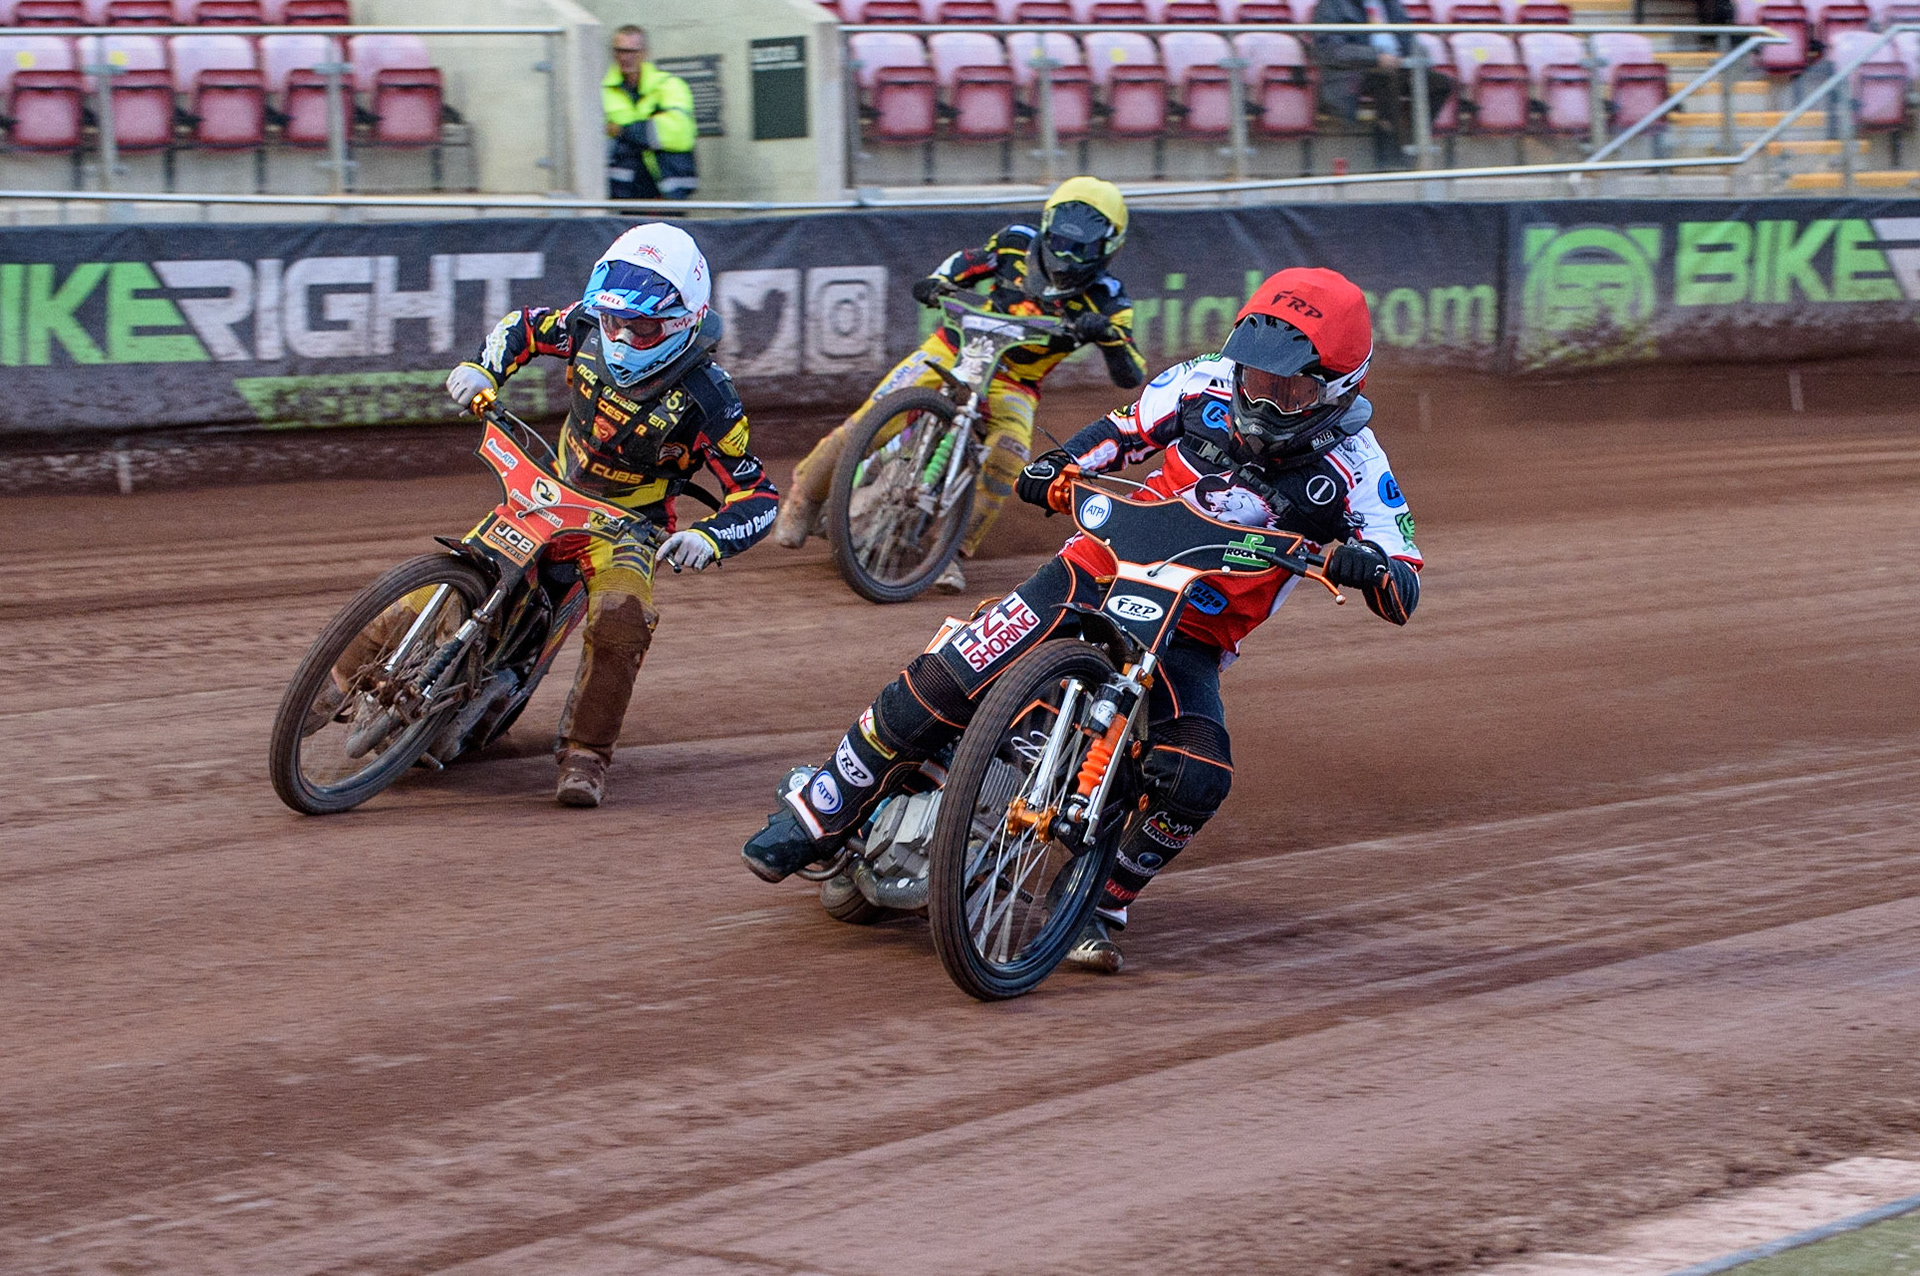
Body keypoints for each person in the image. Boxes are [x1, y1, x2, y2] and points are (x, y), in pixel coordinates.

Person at [739, 267, 1424, 974]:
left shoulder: (1357, 466)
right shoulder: (1201, 382)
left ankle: (1100, 898)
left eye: (1289, 388)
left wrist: (1373, 567)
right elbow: (1125, 432)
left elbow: (1404, 574)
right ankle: (820, 811)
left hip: (1192, 632)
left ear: (1339, 388)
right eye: (1255, 375)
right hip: (1096, 566)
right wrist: (1059, 462)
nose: (1261, 394)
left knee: (1197, 777)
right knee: (951, 676)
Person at [444, 223, 776, 808]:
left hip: (628, 526)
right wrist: (485, 368)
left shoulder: (710, 398)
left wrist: (711, 538)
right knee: (462, 573)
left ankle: (586, 756)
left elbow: (759, 495)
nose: (620, 334)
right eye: (613, 320)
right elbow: (523, 327)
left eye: (642, 326)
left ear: (681, 322)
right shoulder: (585, 326)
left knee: (623, 618)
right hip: (548, 489)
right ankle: (347, 669)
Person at [768, 176, 1148, 595]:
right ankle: (804, 497)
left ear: (1109, 247)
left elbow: (1131, 371)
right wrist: (936, 284)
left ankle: (949, 551)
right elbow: (961, 267)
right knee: (871, 420)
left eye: (1082, 247)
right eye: (1060, 238)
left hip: (1015, 383)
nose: (1068, 253)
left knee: (1010, 455)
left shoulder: (1110, 298)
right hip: (952, 348)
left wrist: (1107, 335)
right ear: (1047, 225)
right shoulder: (1014, 243)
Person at [1311, 0, 1453, 170]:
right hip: (1354, 72)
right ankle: (1390, 160)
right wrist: (1375, 57)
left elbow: (1409, 37)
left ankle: (1413, 143)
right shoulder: (1332, 5)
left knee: (1441, 84)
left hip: (1398, 66)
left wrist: (1418, 58)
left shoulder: (1390, 4)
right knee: (1386, 78)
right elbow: (1330, 50)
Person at [604, 25, 697, 201]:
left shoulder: (669, 85)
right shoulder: (602, 91)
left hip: (667, 191)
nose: (626, 57)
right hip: (623, 195)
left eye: (632, 51)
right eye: (620, 51)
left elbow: (680, 133)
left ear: (644, 53)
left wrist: (623, 131)